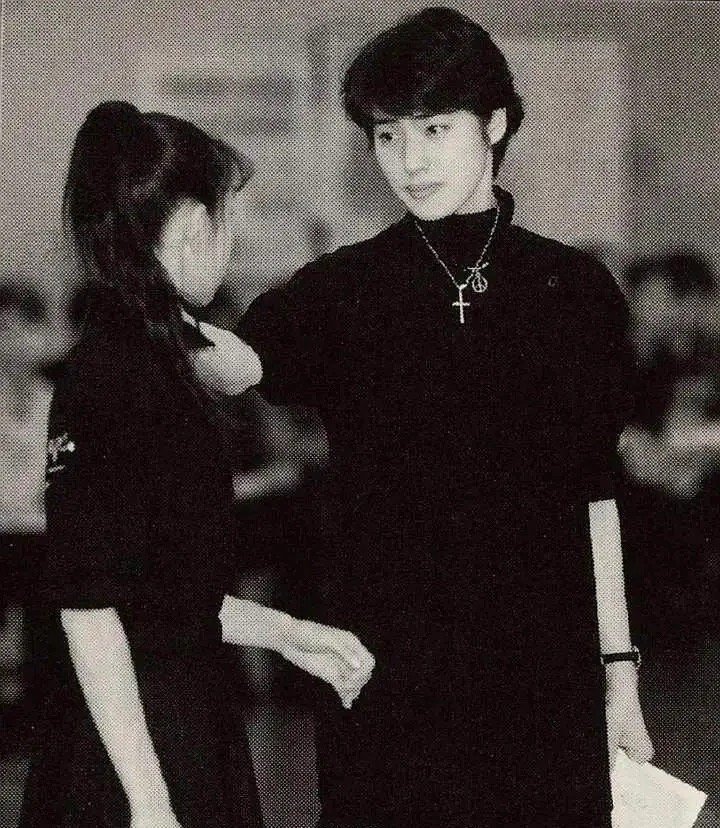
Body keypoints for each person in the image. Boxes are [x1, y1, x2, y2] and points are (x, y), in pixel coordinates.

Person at [232, 8, 656, 827]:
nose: (410, 161)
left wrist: (621, 675)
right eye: (387, 136)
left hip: (540, 673)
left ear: (493, 124)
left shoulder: (573, 291)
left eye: (434, 129)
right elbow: (232, 365)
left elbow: (596, 496)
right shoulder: (340, 290)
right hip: (384, 672)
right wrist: (145, 299)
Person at [20, 101, 374, 828]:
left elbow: (165, 598)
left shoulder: (156, 359)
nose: (233, 242)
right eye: (227, 219)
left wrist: (293, 635)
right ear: (188, 226)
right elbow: (90, 612)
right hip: (134, 750)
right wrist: (150, 803)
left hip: (183, 720)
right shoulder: (112, 377)